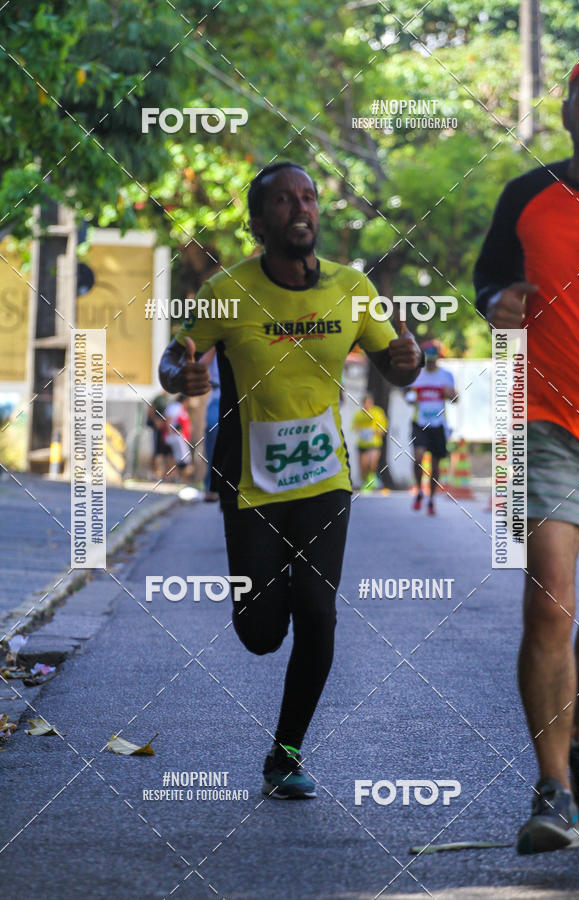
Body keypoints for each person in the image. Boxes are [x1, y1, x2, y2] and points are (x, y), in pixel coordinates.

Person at [159, 161, 424, 799]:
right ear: (258, 222)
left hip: (326, 478)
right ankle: (260, 620)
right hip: (249, 481)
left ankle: (286, 753)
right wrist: (180, 375)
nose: (300, 208)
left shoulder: (352, 287)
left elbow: (396, 361)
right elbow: (177, 357)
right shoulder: (227, 290)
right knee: (259, 632)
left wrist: (406, 361)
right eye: (283, 200)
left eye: (307, 197)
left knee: (318, 613)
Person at [474, 49, 579, 853]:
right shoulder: (528, 195)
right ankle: (552, 788)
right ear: (564, 109)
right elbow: (485, 282)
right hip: (549, 423)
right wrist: (498, 301)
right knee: (550, 601)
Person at [404, 341, 457, 515]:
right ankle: (419, 490)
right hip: (419, 423)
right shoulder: (417, 375)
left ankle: (431, 498)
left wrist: (451, 394)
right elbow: (406, 393)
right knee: (418, 456)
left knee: (435, 464)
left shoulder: (446, 375)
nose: (431, 363)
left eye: (434, 360)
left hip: (438, 425)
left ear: (438, 359)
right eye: (428, 360)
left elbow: (456, 398)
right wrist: (410, 396)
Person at [351, 394, 388, 491]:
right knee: (363, 466)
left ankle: (373, 481)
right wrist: (360, 429)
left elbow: (383, 428)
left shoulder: (377, 412)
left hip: (374, 443)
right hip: (362, 444)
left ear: (371, 403)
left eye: (368, 403)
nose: (366, 405)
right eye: (364, 403)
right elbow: (354, 427)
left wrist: (375, 431)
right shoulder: (359, 414)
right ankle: (366, 482)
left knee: (372, 463)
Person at [202, 348, 221, 502]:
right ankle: (211, 485)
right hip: (217, 394)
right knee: (213, 434)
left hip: (242, 392)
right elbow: (202, 364)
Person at [164, 394, 192, 482]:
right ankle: (174, 477)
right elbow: (168, 420)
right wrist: (171, 432)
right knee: (179, 458)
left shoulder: (179, 408)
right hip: (176, 437)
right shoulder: (175, 407)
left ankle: (179, 477)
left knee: (180, 458)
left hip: (180, 437)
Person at [146, 391, 171, 478]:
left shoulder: (169, 399)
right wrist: (156, 421)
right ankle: (153, 471)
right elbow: (151, 411)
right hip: (158, 428)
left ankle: (166, 473)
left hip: (165, 429)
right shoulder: (158, 399)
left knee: (166, 451)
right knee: (156, 450)